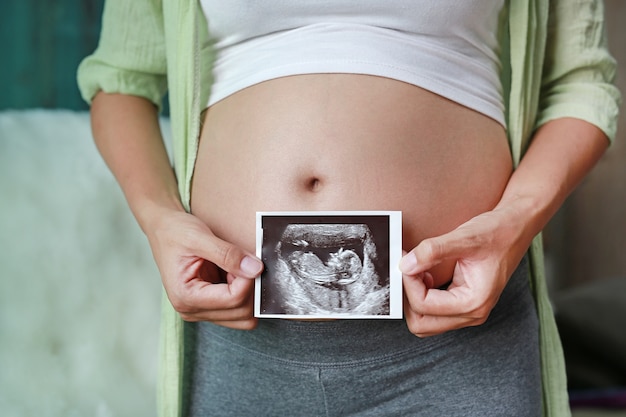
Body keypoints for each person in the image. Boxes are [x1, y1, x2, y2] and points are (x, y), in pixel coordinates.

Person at [77, 1, 620, 416]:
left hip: (459, 352)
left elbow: (581, 83)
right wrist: (159, 219)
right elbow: (121, 80)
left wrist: (512, 226)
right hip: (245, 350)